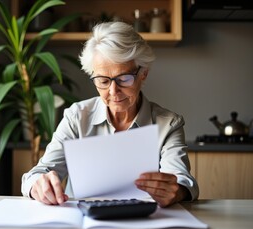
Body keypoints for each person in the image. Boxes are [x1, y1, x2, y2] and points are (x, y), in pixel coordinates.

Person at [21, 21, 199, 207]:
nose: (114, 91)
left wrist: (176, 191)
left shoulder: (168, 124)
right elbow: (38, 173)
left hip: (144, 223)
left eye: (124, 79)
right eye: (103, 81)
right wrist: (37, 185)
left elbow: (181, 179)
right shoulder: (76, 118)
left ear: (143, 74)